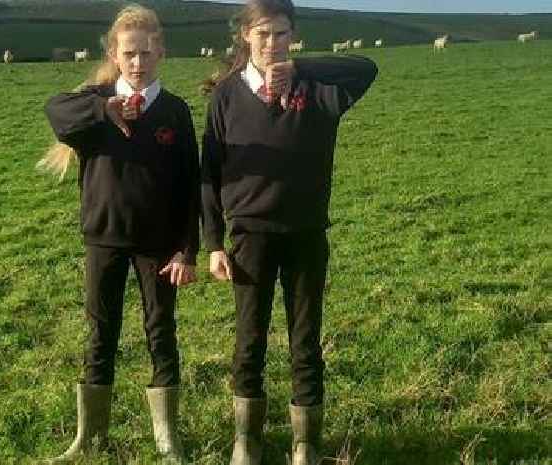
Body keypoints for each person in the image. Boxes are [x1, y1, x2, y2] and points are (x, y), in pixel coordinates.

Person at [200, 0, 378, 463]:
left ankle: (306, 445)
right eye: (262, 34)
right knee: (249, 338)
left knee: (305, 338)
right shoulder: (226, 95)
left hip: (305, 234)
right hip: (249, 237)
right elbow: (210, 173)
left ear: (293, 35)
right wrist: (214, 243)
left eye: (281, 34)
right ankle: (247, 440)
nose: (271, 44)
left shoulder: (320, 90)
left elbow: (366, 67)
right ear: (245, 37)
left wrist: (298, 68)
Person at [41, 4, 199, 463]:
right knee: (100, 332)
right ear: (114, 53)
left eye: (147, 53)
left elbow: (191, 185)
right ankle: (90, 436)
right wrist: (103, 108)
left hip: (159, 246)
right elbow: (55, 110)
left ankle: (167, 439)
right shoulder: (93, 104)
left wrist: (188, 249)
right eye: (129, 53)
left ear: (161, 53)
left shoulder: (174, 111)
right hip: (104, 237)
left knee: (160, 332)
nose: (138, 62)